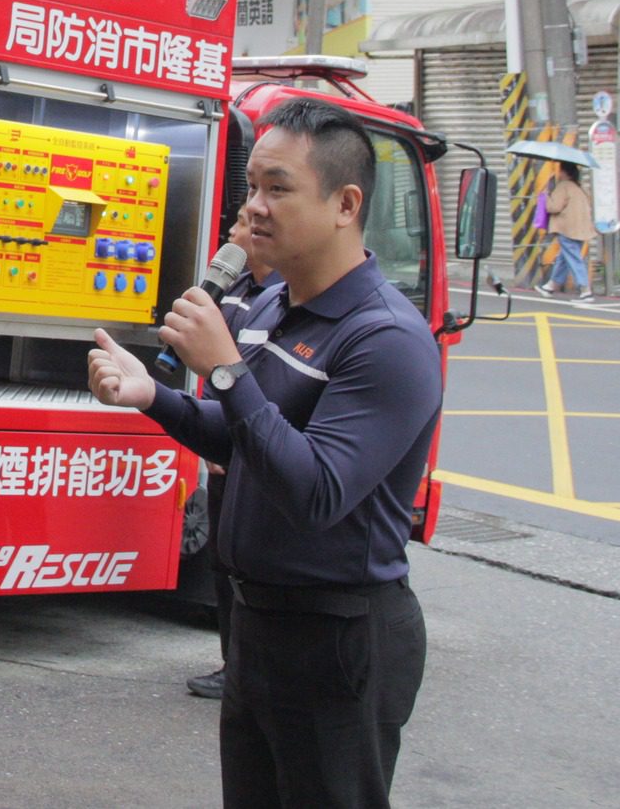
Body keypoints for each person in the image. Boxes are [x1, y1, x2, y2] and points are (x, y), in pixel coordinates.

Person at [88, 99, 442, 809]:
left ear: (345, 204)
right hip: (256, 624)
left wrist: (224, 369)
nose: (254, 208)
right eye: (251, 187)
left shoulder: (388, 339)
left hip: (338, 634)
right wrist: (154, 397)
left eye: (278, 188)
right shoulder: (274, 306)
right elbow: (242, 438)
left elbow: (317, 490)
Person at [189, 211, 274, 702]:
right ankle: (231, 664)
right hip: (225, 451)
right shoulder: (233, 291)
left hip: (259, 454)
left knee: (248, 566)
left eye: (239, 225)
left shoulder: (282, 297)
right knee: (221, 566)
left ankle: (250, 664)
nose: (232, 234)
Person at [541, 161, 596, 301]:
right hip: (580, 229)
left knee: (573, 257)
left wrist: (546, 197)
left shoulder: (563, 186)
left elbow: (554, 207)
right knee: (564, 258)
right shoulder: (578, 188)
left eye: (560, 171)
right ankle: (551, 286)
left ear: (565, 173)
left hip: (566, 228)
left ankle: (585, 289)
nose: (558, 174)